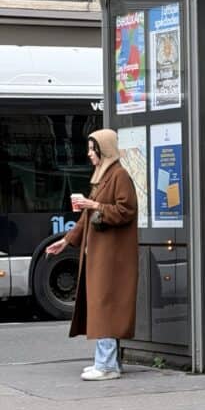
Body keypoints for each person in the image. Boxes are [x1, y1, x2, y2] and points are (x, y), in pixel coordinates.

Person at [46, 129, 139, 381]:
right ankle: (107, 362)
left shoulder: (119, 175)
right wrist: (65, 241)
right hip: (103, 255)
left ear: (104, 150)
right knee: (101, 305)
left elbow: (126, 210)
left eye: (92, 149)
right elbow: (88, 217)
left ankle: (107, 365)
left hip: (112, 258)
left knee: (105, 306)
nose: (88, 154)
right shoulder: (105, 175)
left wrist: (94, 204)